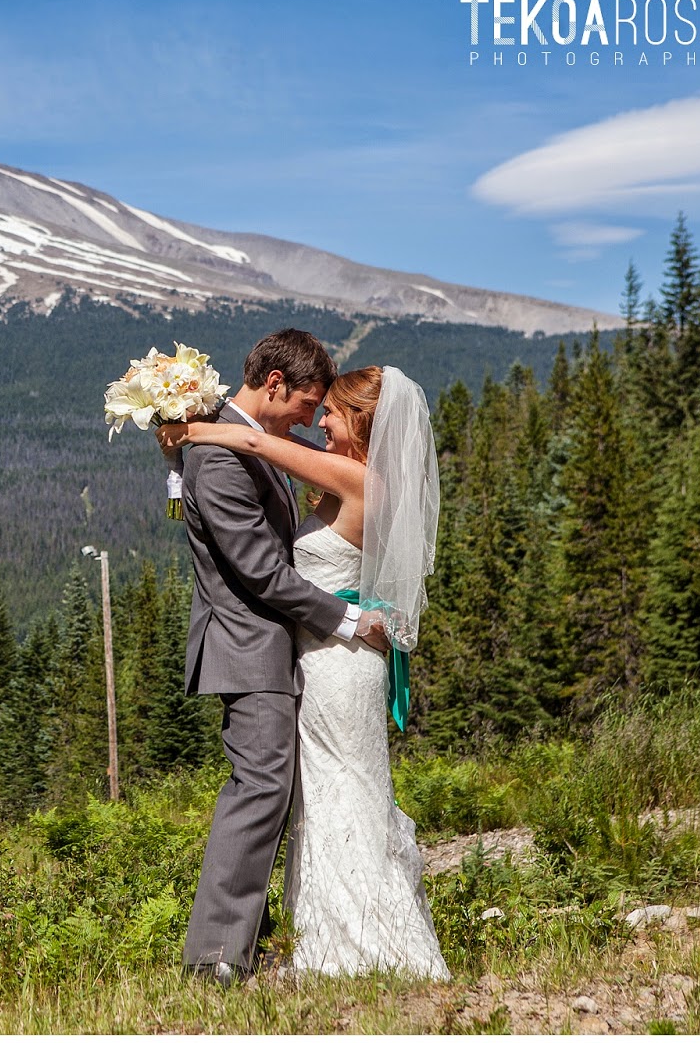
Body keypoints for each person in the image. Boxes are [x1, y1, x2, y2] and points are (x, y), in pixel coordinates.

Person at [159, 363, 449, 981]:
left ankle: (360, 940)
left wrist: (189, 433)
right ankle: (338, 936)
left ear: (363, 422)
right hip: (320, 656)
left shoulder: (355, 476)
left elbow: (261, 442)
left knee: (339, 788)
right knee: (326, 792)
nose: (321, 423)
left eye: (333, 412)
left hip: (336, 659)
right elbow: (267, 448)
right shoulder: (361, 474)